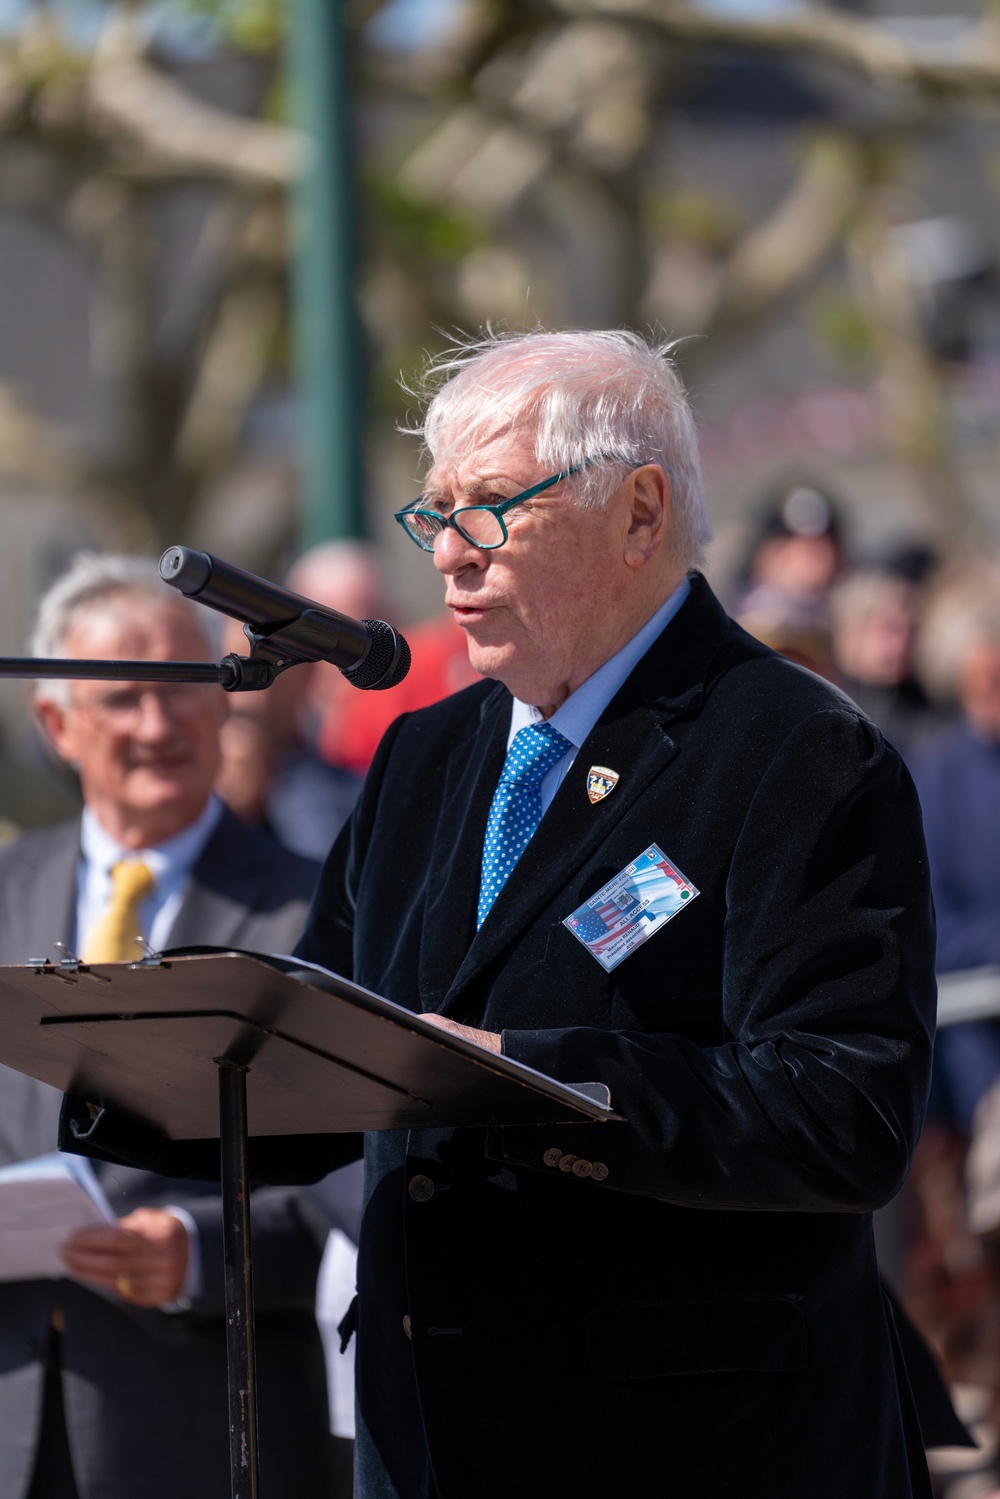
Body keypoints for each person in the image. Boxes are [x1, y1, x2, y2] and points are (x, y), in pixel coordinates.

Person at [65, 332, 939, 1498]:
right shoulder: (427, 752)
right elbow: (327, 1051)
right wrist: (116, 1059)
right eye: (432, 517)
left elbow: (842, 1111)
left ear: (639, 513)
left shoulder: (799, 752)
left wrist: (523, 1074)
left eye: (489, 511)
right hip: (429, 1436)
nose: (449, 561)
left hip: (683, 1443)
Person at [0, 553, 340, 1499]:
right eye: (123, 698)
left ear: (226, 702)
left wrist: (197, 1250)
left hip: (202, 1429)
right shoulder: (4, 890)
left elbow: (359, 1182)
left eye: (185, 690)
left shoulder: (315, 914)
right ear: (55, 724)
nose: (159, 725)